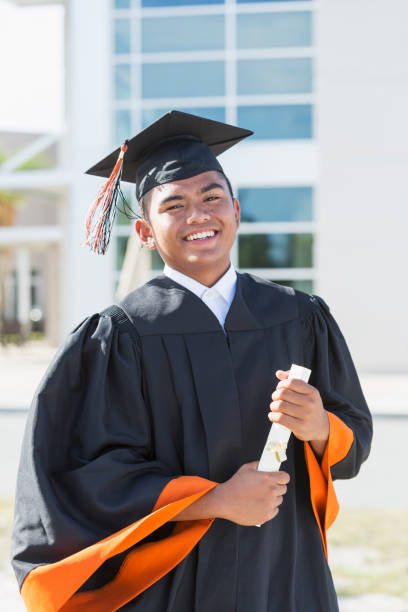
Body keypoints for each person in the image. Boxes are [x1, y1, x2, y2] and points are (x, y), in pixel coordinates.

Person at [11, 111, 373, 612]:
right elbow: (81, 475)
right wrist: (215, 501)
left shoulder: (298, 316)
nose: (198, 215)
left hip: (284, 569)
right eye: (174, 205)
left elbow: (355, 437)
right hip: (171, 581)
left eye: (211, 198)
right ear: (143, 231)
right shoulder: (119, 336)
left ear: (237, 211)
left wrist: (319, 427)